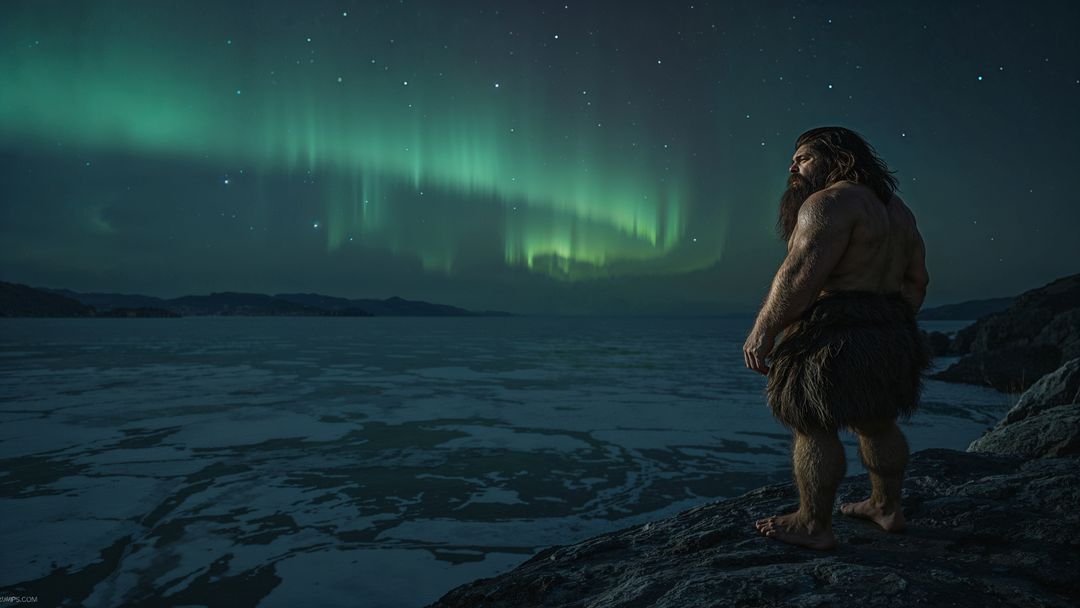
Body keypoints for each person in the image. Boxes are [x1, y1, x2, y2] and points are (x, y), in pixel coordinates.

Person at [743, 126, 931, 550]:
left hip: (831, 332)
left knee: (811, 424)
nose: (793, 166)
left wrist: (763, 331)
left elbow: (799, 276)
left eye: (804, 158)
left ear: (839, 158)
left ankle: (813, 523)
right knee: (877, 421)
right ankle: (887, 506)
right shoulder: (898, 211)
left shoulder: (828, 203)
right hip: (891, 328)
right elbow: (918, 282)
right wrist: (887, 324)